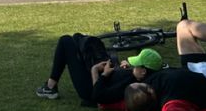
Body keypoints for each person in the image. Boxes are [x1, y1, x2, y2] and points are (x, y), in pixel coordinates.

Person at [35, 34, 163, 103]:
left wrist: (96, 70)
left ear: (143, 71)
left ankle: (50, 87)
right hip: (102, 77)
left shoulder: (130, 84)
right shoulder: (138, 78)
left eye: (137, 65)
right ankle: (50, 86)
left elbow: (97, 96)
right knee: (77, 38)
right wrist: (122, 68)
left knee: (66, 41)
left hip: (89, 89)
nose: (133, 66)